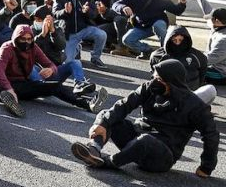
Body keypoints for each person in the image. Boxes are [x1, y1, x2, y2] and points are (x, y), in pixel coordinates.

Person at [71, 60, 217, 177]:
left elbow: (211, 135)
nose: (154, 82)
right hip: (136, 138)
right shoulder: (149, 88)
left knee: (146, 140)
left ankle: (108, 162)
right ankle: (94, 150)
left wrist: (207, 167)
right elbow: (124, 105)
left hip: (161, 156)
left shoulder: (194, 105)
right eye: (154, 77)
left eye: (159, 79)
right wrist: (102, 123)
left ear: (172, 82)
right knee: (107, 115)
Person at [0, 25, 108, 118]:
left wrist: (50, 69)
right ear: (16, 38)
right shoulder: (7, 48)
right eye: (22, 39)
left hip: (23, 83)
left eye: (29, 39)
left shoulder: (33, 47)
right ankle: (8, 98)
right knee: (1, 90)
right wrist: (9, 88)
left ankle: (88, 104)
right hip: (5, 82)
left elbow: (50, 64)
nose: (26, 42)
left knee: (54, 86)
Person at [112, 0, 188, 57]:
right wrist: (123, 7)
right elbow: (116, 4)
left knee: (158, 26)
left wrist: (182, 4)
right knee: (127, 39)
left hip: (158, 23)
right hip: (142, 26)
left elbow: (176, 11)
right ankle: (147, 50)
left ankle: (166, 51)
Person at [53, 0, 108, 69]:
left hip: (84, 28)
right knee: (67, 64)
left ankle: (95, 57)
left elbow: (94, 14)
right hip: (69, 33)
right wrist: (65, 11)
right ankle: (77, 48)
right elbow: (55, 13)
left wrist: (87, 11)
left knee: (102, 34)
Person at [148, 26, 215, 104]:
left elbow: (202, 73)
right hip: (167, 95)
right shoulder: (157, 56)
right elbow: (154, 76)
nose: (178, 43)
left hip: (191, 94)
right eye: (174, 40)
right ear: (168, 40)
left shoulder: (197, 56)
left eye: (180, 40)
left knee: (210, 90)